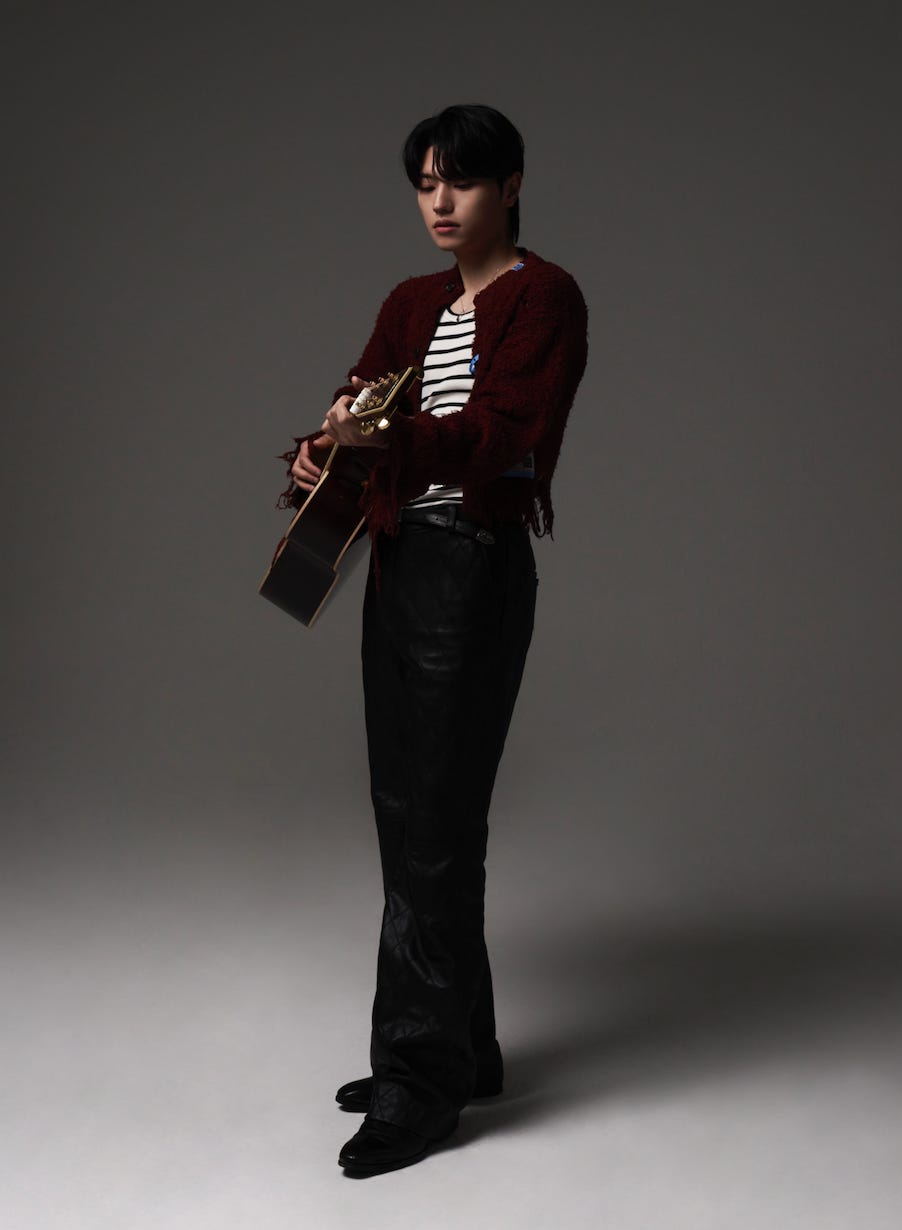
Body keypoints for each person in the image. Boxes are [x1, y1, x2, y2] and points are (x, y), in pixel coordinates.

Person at [280, 104, 588, 1175]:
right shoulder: (409, 303)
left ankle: (418, 1079)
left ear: (511, 184)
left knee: (437, 826)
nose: (439, 202)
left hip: (473, 564)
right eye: (423, 184)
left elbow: (504, 435)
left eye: (459, 180)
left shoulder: (545, 297)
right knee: (406, 814)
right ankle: (462, 1048)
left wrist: (383, 439)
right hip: (400, 560)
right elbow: (357, 398)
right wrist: (325, 446)